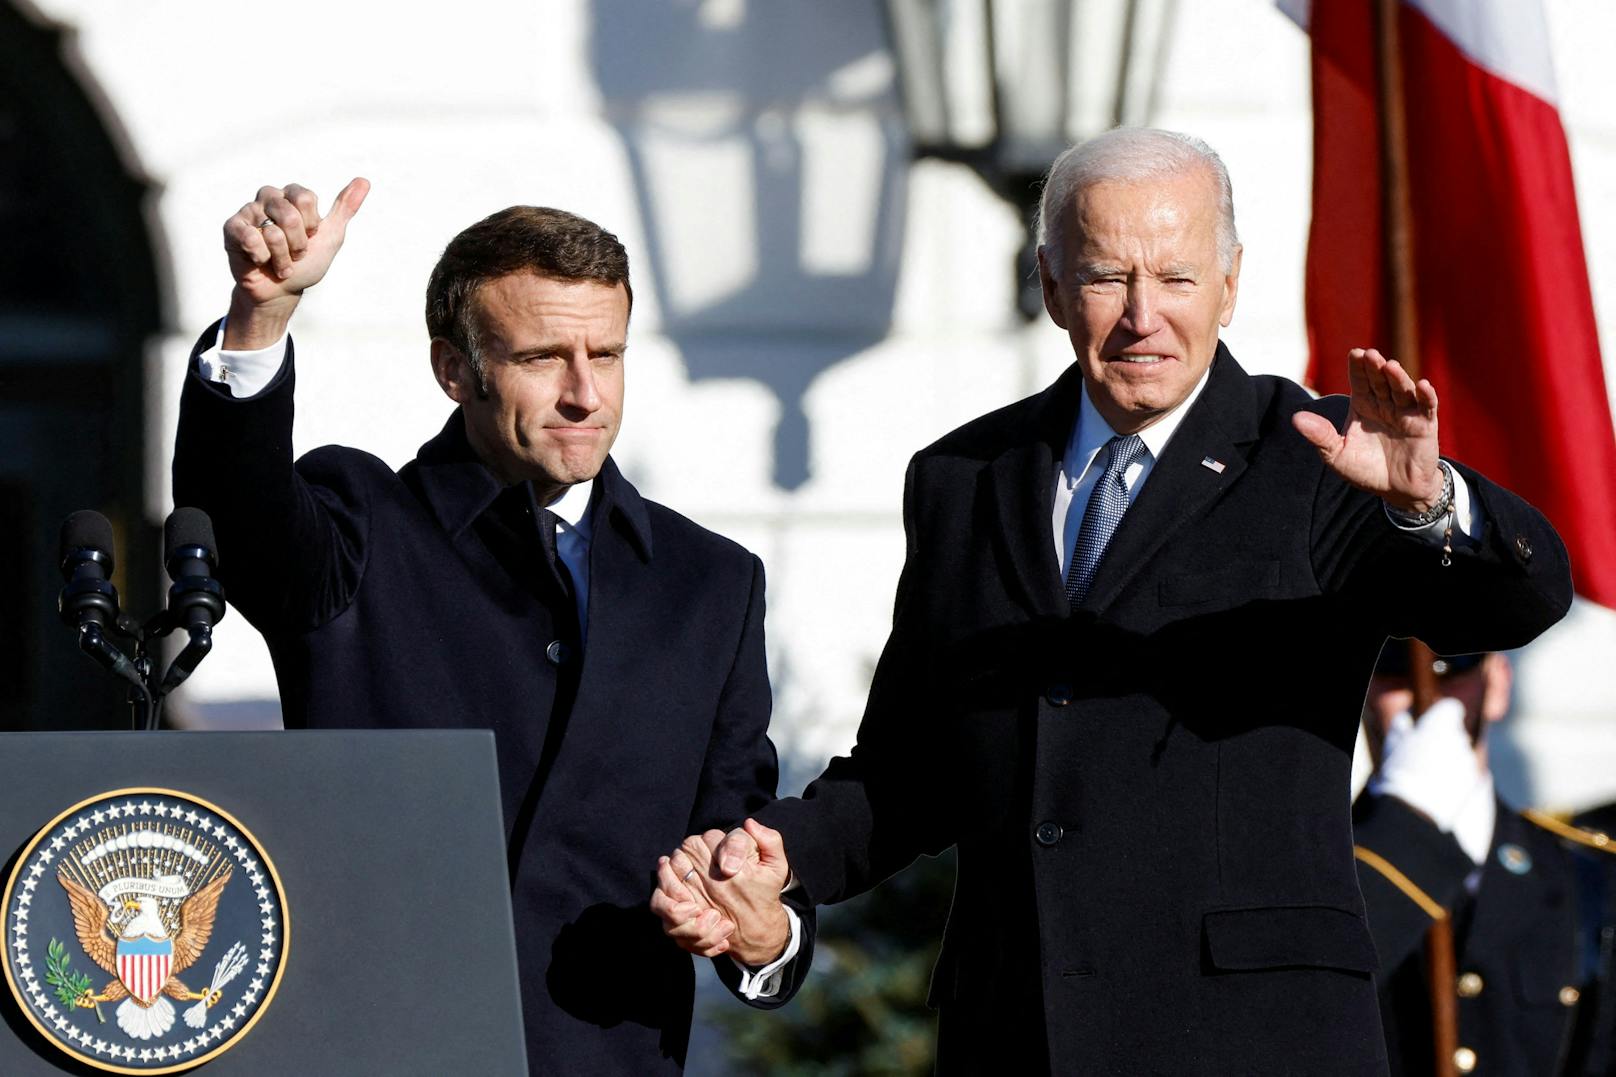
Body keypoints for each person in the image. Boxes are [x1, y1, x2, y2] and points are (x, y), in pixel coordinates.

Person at [651, 127, 1572, 1073]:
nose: (1143, 316)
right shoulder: (965, 478)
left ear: (1230, 282)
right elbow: (913, 766)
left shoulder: (1317, 456)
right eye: (1105, 278)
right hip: (1018, 1031)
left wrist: (1430, 504)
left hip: (1252, 1040)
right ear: (1051, 285)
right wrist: (782, 851)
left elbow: (1523, 602)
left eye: (1175, 278)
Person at [171, 179, 812, 1071]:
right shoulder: (360, 525)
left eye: (609, 354)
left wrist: (759, 928)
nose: (586, 393)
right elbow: (232, 519)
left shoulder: (711, 582)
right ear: (455, 369)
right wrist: (260, 317)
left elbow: (737, 838)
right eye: (546, 357)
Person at [1355, 645, 1616, 1075]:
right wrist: (1405, 828)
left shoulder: (1590, 878)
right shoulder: (1309, 877)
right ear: (1361, 697)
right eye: (1396, 676)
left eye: (1453, 675)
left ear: (1496, 684)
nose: (1426, 701)